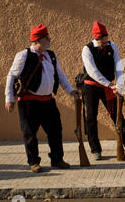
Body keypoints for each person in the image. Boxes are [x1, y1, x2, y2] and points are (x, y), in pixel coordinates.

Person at [5, 24, 78, 173]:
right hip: (28, 102)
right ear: (38, 40)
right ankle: (33, 162)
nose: (49, 39)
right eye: (46, 37)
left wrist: (70, 90)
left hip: (48, 101)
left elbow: (60, 74)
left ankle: (57, 159)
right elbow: (11, 76)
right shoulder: (23, 55)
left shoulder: (51, 55)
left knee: (56, 130)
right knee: (30, 133)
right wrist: (9, 98)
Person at [81, 21, 125, 161]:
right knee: (91, 118)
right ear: (96, 39)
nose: (105, 44)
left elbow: (118, 66)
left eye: (106, 41)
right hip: (91, 86)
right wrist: (109, 84)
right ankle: (95, 149)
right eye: (102, 43)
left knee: (117, 116)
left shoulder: (112, 46)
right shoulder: (87, 49)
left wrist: (120, 85)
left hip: (109, 87)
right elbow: (92, 71)